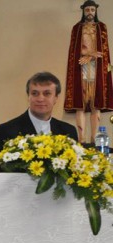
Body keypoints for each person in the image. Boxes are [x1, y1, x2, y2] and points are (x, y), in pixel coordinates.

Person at [65, 0, 113, 143]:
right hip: (81, 69)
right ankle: (81, 140)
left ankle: (94, 140)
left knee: (95, 103)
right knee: (80, 103)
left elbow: (103, 51)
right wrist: (86, 55)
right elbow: (74, 51)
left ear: (95, 11)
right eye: (88, 10)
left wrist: (89, 55)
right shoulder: (76, 28)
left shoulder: (101, 27)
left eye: (92, 10)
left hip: (97, 70)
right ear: (83, 11)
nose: (90, 12)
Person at [0, 72, 78, 149]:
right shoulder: (5, 131)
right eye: (35, 93)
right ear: (28, 97)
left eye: (47, 93)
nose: (40, 99)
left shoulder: (68, 131)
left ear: (56, 98)